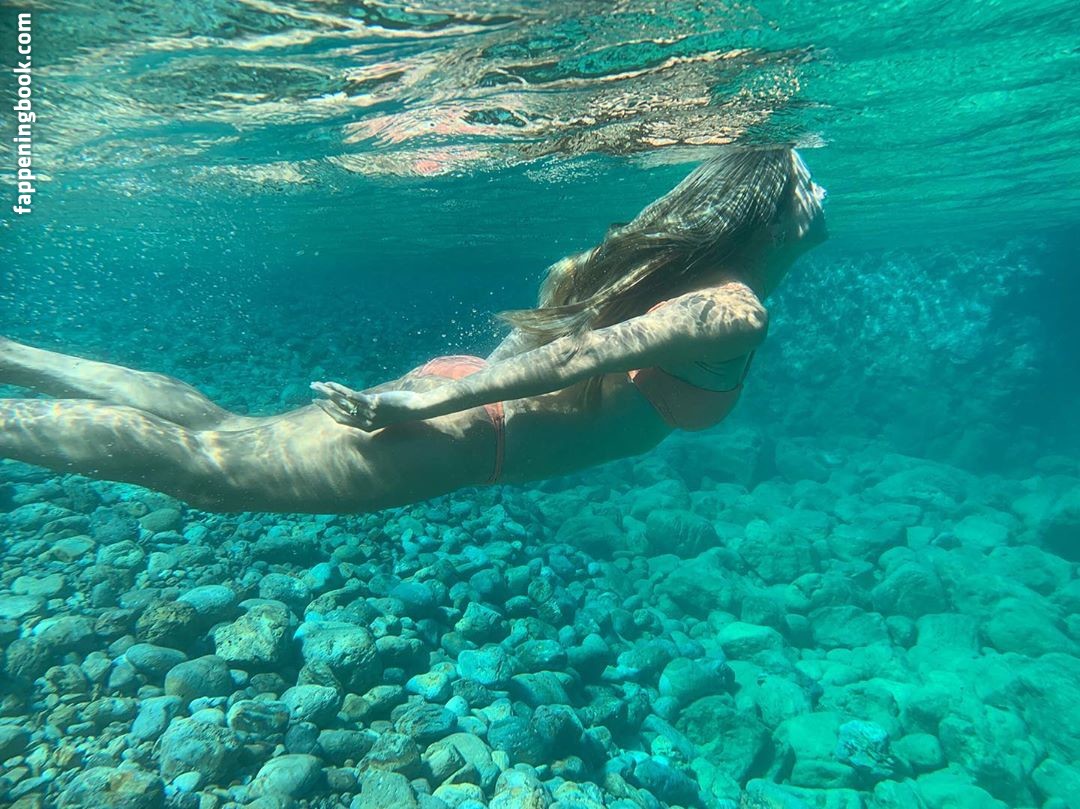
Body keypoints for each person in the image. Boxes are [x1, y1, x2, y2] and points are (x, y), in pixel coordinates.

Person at [0, 146, 827, 514]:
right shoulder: (733, 310)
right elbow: (579, 354)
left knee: (224, 433)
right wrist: (424, 407)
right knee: (210, 472)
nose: (820, 190)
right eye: (803, 180)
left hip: (470, 403)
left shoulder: (686, 282)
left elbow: (563, 342)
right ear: (764, 208)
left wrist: (445, 392)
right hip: (469, 428)